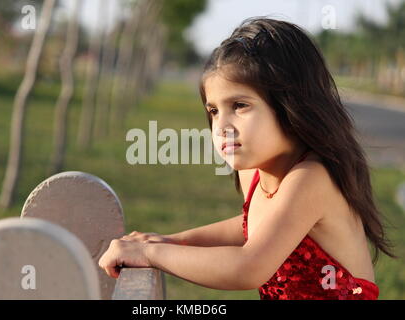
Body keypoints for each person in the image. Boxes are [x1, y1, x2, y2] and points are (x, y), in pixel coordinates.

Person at [98, 17, 397, 300]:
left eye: (240, 105)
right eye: (214, 111)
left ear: (291, 105)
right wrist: (169, 241)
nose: (222, 127)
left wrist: (149, 254)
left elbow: (248, 267)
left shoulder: (312, 177)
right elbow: (253, 226)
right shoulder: (254, 171)